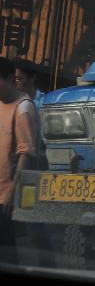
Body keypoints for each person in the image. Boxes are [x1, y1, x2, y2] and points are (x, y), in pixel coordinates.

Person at [0, 57, 39, 263]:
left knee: (7, 254)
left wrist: (11, 193)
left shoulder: (23, 109)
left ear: (9, 78)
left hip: (6, 196)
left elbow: (27, 153)